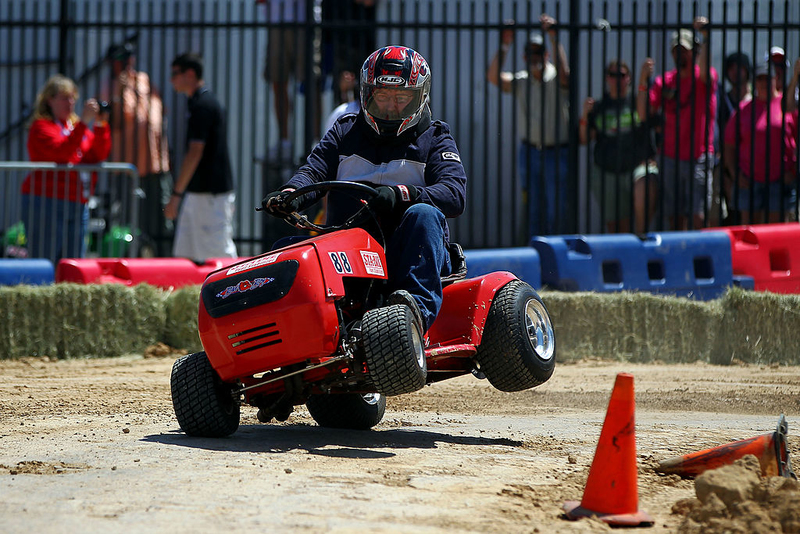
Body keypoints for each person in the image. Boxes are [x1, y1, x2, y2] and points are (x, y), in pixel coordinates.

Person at [262, 46, 467, 336]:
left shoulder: (435, 137)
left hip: (406, 254)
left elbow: (454, 194)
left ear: (420, 97)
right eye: (382, 97)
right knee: (286, 251)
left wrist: (402, 195)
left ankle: (412, 318)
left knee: (424, 214)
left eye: (401, 98)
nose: (390, 107)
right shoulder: (344, 131)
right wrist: (289, 194)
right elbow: (313, 171)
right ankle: (290, 331)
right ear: (367, 95)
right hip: (350, 253)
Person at [487, 14, 570, 239]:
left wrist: (554, 38)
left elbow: (565, 76)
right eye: (531, 52)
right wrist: (505, 44)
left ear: (547, 55)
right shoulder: (522, 80)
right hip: (530, 151)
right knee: (532, 207)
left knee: (557, 210)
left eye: (539, 52)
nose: (535, 57)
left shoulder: (555, 77)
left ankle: (557, 257)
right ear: (524, 56)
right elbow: (493, 77)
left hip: (557, 151)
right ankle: (536, 255)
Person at [638, 17, 718, 230]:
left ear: (695, 52)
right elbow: (644, 114)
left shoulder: (704, 78)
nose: (680, 54)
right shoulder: (665, 81)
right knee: (673, 215)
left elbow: (706, 71)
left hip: (698, 156)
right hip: (669, 157)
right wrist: (643, 82)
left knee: (698, 215)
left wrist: (706, 37)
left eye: (685, 50)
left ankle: (698, 256)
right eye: (676, 50)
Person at [22, 74, 111, 263]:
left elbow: (97, 155)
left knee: (74, 262)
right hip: (47, 200)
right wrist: (82, 124)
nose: (70, 103)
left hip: (77, 201)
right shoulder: (41, 126)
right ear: (50, 100)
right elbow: (61, 153)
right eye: (64, 98)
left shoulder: (75, 127)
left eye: (72, 98)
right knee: (45, 259)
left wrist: (101, 124)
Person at [101, 42, 173, 256]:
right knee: (127, 215)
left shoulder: (144, 80)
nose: (126, 64)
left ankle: (163, 255)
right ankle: (128, 256)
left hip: (155, 161)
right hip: (128, 164)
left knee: (160, 213)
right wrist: (118, 91)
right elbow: (112, 122)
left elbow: (159, 109)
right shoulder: (109, 85)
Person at [166, 52, 238, 261]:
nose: (171, 79)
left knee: (219, 255)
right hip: (197, 193)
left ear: (189, 74)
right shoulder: (196, 103)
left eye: (175, 73)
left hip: (211, 195)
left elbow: (195, 152)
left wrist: (176, 194)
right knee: (185, 254)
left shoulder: (203, 105)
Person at [579, 60, 658, 234]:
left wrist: (643, 80)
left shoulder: (635, 103)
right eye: (613, 75)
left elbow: (645, 117)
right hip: (607, 170)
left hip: (635, 166)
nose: (617, 80)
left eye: (622, 75)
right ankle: (623, 257)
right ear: (607, 78)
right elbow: (585, 140)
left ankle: (641, 241)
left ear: (628, 78)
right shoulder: (599, 107)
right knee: (617, 228)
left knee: (645, 188)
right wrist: (584, 115)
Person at [724, 63, 798, 224]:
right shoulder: (743, 109)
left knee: (777, 231)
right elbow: (729, 143)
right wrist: (735, 173)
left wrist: (793, 171)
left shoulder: (788, 105)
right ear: (755, 82)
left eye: (767, 78)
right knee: (750, 230)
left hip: (780, 181)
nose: (764, 83)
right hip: (749, 181)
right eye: (760, 79)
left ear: (775, 79)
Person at [259, 0, 323, 163]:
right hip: (276, 19)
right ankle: (284, 142)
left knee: (311, 82)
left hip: (304, 20)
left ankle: (316, 142)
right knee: (278, 82)